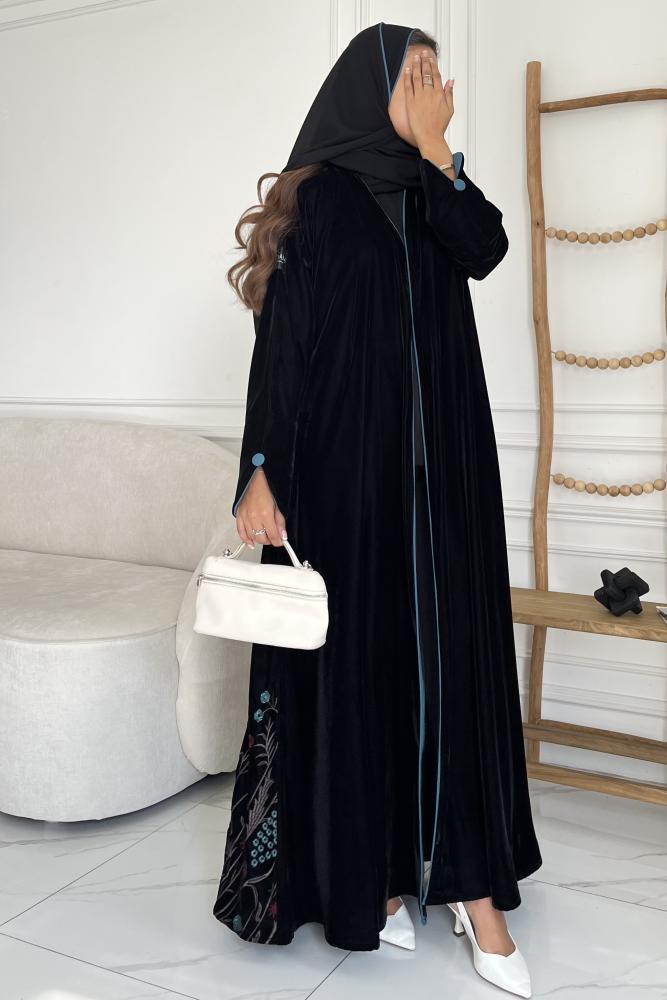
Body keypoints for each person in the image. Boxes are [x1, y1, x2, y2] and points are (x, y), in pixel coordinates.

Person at [212, 21, 542, 997]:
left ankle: (474, 891)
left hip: (446, 482)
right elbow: (284, 351)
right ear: (370, 88)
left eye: (440, 73)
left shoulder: (440, 193)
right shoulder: (319, 202)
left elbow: (487, 249)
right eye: (415, 74)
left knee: (449, 667)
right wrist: (261, 470)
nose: (436, 86)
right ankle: (378, 880)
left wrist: (440, 154)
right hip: (345, 484)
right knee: (363, 672)